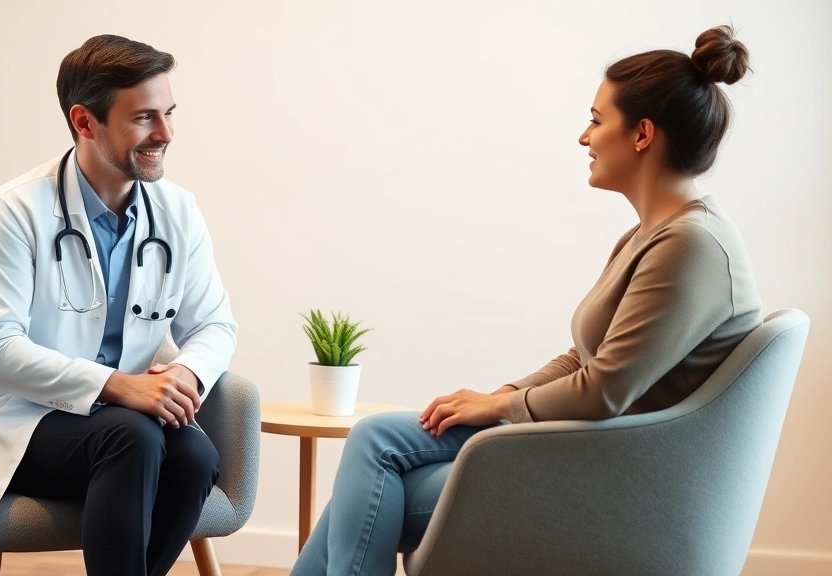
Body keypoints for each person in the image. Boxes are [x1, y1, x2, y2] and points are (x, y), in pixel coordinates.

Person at [290, 25, 761, 576]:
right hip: (589, 446)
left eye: (596, 119)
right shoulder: (654, 234)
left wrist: (498, 409)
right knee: (374, 441)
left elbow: (605, 389)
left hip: (621, 475)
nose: (584, 138)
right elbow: (585, 358)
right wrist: (507, 392)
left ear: (642, 134)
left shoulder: (691, 246)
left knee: (375, 474)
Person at [0, 35, 237, 576]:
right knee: (135, 437)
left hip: (121, 422)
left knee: (195, 457)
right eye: (145, 118)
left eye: (169, 114)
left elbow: (215, 322)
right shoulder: (14, 210)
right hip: (17, 416)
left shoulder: (178, 211)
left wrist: (185, 374)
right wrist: (121, 387)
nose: (166, 134)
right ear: (84, 121)